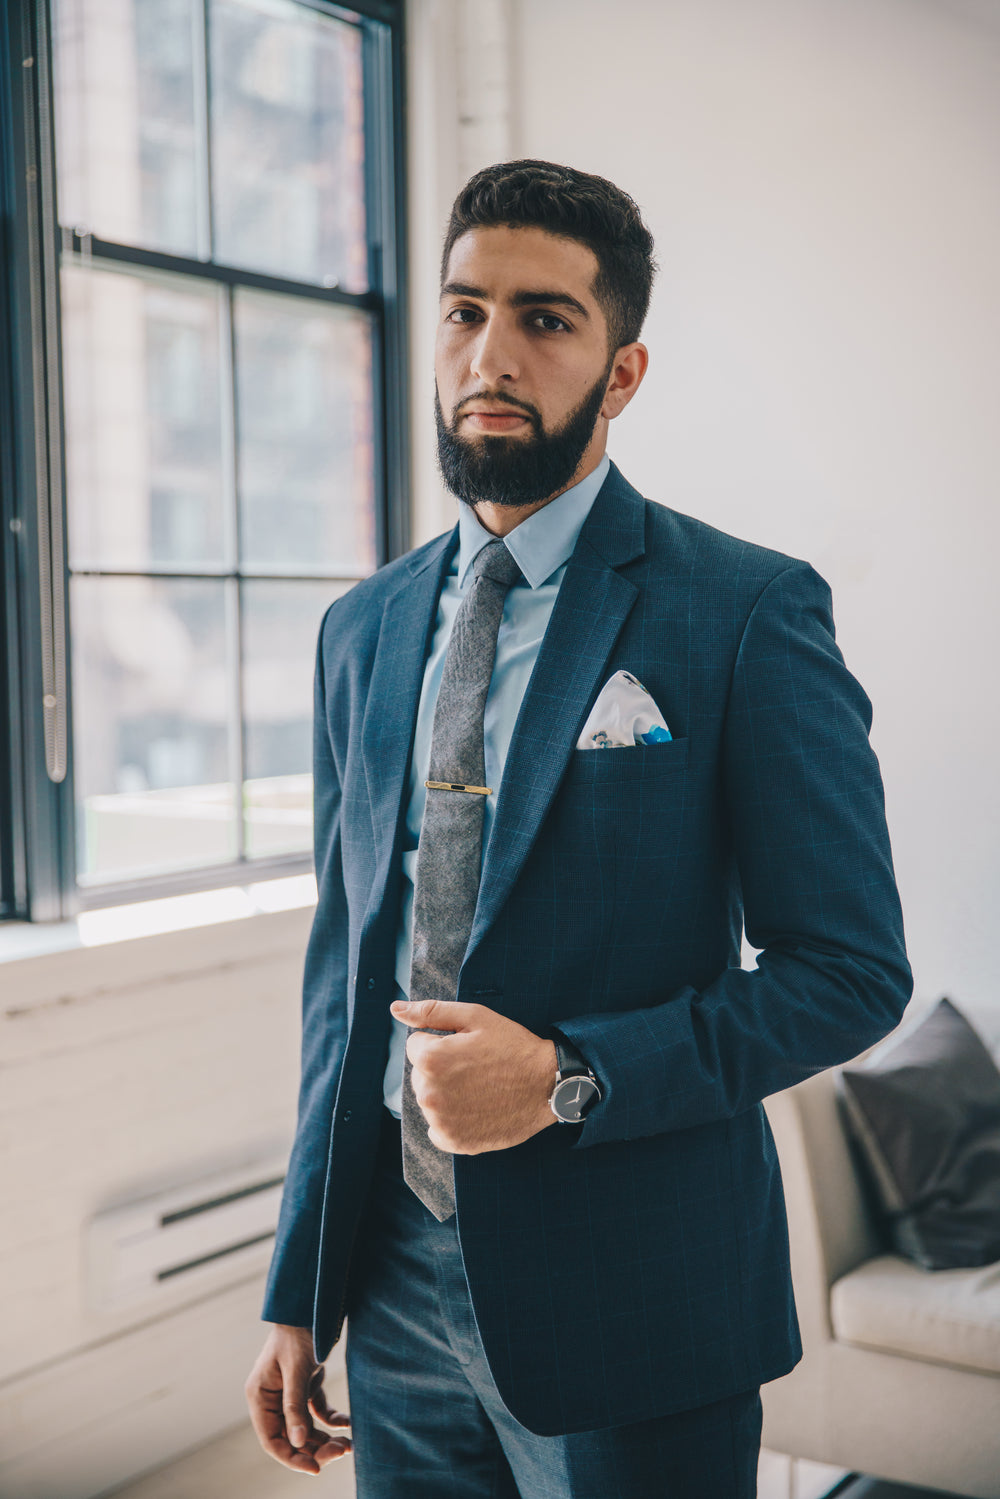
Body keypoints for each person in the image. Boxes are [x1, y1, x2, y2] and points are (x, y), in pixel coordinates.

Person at [245, 159, 911, 1498]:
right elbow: (346, 981)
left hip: (638, 1303)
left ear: (622, 371)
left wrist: (563, 1076)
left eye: (545, 320)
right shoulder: (360, 631)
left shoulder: (744, 612)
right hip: (393, 1288)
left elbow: (850, 976)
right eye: (463, 311)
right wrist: (300, 1276)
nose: (491, 355)